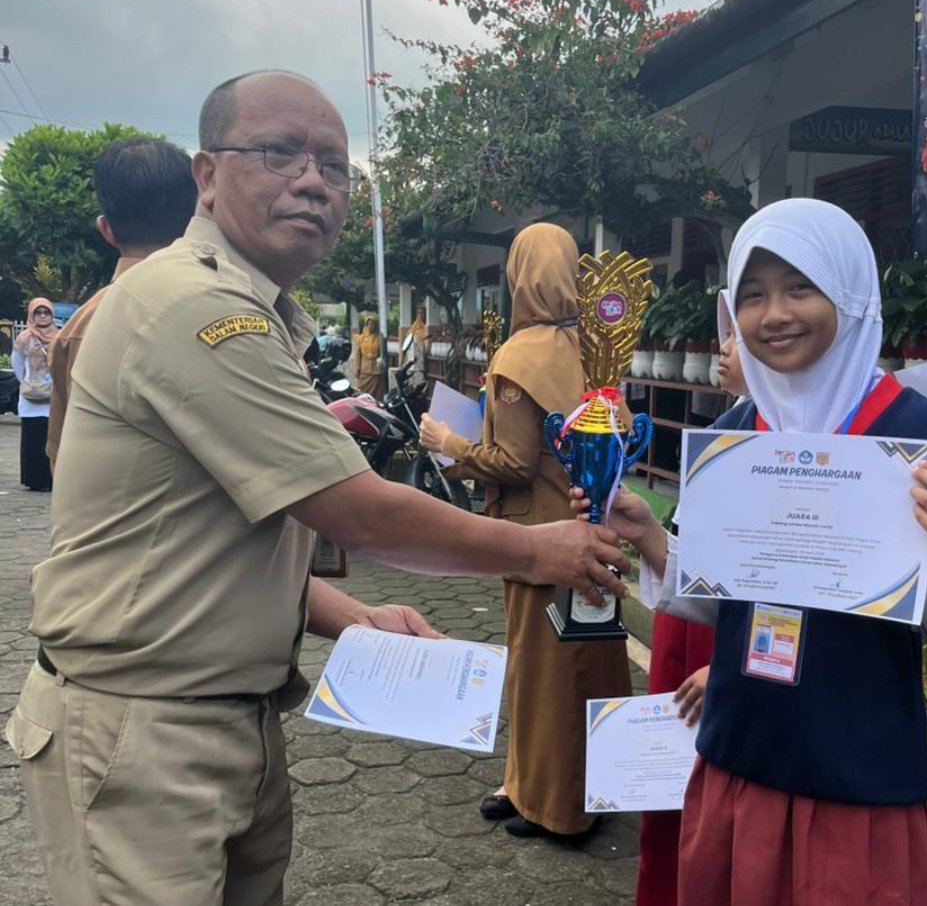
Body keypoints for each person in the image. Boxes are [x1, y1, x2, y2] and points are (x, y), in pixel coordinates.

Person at [5, 71, 630, 906]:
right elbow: (352, 509)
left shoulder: (260, 314)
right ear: (206, 174)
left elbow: (217, 541)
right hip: (142, 730)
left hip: (222, 720)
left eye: (334, 167)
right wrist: (536, 549)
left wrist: (354, 615)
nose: (312, 180)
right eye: (279, 152)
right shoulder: (195, 305)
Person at [576, 198, 927, 906]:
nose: (774, 315)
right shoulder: (739, 432)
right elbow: (719, 595)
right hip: (743, 755)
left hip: (855, 775)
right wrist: (649, 534)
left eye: (801, 288)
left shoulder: (919, 435)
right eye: (754, 295)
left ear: (851, 294)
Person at [418, 222, 632, 839]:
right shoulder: (597, 347)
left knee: (542, 672)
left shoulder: (519, 355)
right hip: (594, 529)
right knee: (587, 663)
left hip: (538, 539)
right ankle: (549, 785)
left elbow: (511, 462)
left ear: (518, 276)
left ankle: (557, 807)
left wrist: (450, 443)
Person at [635, 288, 748, 906]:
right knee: (670, 795)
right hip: (688, 629)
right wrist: (648, 534)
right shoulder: (728, 430)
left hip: (732, 652)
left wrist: (729, 665)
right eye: (733, 323)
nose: (728, 347)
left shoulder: (817, 452)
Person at [46, 137, 196, 468]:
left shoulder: (77, 328)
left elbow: (60, 450)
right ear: (197, 217)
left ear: (106, 230)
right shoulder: (221, 307)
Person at [13, 297, 58, 491]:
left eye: (45, 312)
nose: (42, 316)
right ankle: (34, 480)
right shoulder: (23, 337)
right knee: (32, 439)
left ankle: (50, 479)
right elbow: (17, 365)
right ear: (31, 315)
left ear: (51, 314)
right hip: (30, 399)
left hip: (52, 398)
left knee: (51, 437)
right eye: (38, 312)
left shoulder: (59, 336)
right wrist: (28, 382)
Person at [355, 315, 384, 398]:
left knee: (376, 394)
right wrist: (357, 369)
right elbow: (357, 354)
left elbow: (383, 354)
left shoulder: (379, 338)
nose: (370, 326)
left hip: (376, 371)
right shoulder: (361, 338)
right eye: (368, 324)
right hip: (364, 371)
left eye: (372, 324)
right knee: (361, 392)